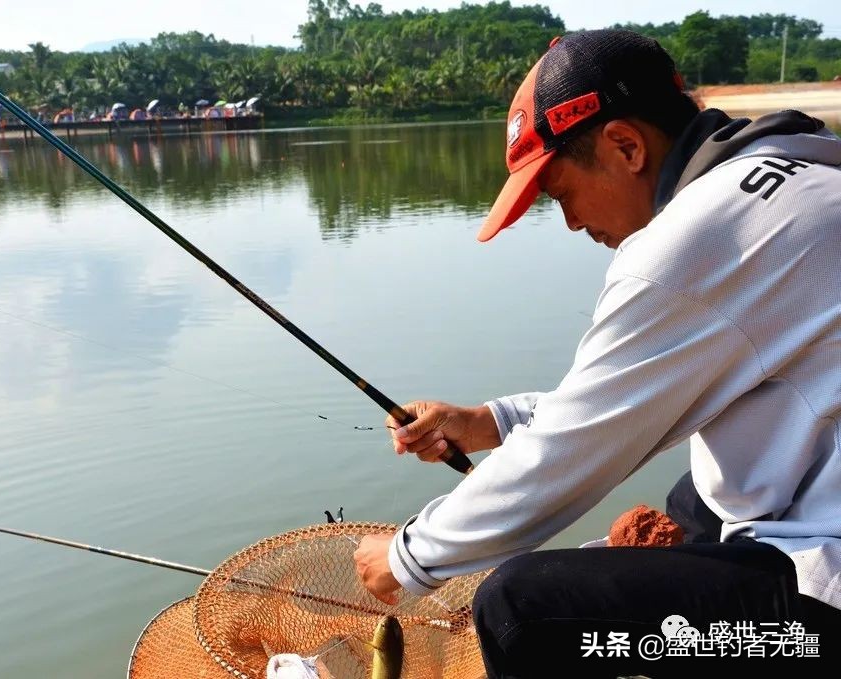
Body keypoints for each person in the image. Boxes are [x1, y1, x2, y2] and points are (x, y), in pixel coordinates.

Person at [353, 29, 841, 678]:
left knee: (517, 608)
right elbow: (633, 401)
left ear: (625, 145)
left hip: (825, 611)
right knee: (696, 497)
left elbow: (573, 452)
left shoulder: (690, 245)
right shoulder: (801, 166)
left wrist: (408, 556)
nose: (573, 223)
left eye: (559, 194)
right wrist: (490, 421)